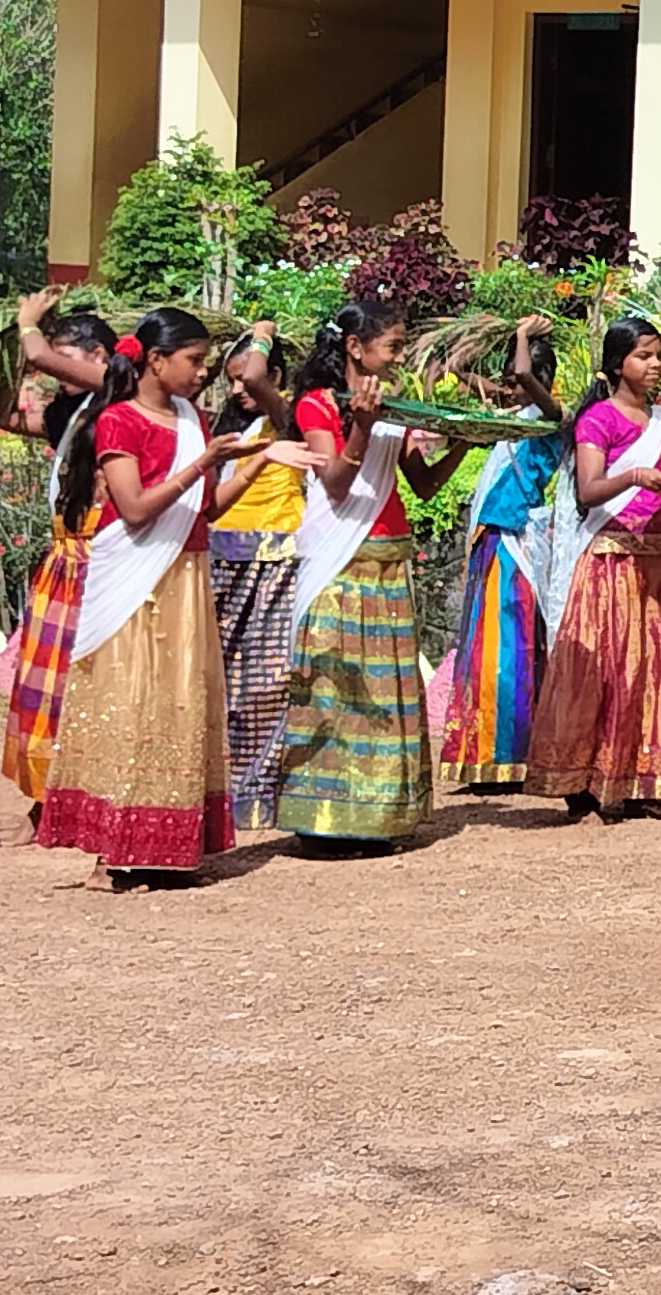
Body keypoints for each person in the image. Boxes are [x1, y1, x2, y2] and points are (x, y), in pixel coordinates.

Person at [35, 309, 276, 887]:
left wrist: (259, 461)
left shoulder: (193, 418)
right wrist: (202, 463)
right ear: (156, 360)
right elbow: (136, 509)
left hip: (186, 578)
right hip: (137, 586)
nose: (203, 373)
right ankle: (112, 854)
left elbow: (206, 509)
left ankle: (165, 850)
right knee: (132, 705)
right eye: (194, 361)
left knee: (179, 708)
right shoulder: (119, 420)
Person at [276, 300, 469, 856]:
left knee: (385, 694)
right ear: (355, 348)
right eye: (394, 346)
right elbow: (336, 483)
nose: (400, 357)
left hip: (387, 564)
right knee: (335, 688)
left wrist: (462, 441)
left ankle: (378, 818)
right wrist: (363, 427)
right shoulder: (317, 405)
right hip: (341, 564)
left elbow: (423, 485)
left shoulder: (394, 406)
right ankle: (323, 821)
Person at [525, 317, 661, 821]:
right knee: (609, 673)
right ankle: (587, 782)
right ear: (616, 364)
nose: (655, 365)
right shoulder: (598, 420)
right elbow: (589, 490)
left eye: (658, 356)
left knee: (656, 673)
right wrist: (632, 476)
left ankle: (643, 777)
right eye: (643, 356)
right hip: (615, 561)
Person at [0, 292, 121, 805]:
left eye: (65, 359)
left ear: (100, 356)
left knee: (84, 681)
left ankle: (82, 791)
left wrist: (27, 325)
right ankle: (44, 797)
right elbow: (2, 417)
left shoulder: (119, 390)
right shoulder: (70, 414)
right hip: (63, 559)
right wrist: (13, 360)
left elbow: (40, 353)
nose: (52, 370)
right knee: (45, 682)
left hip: (98, 557)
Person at [439, 315, 572, 794]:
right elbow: (481, 381)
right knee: (485, 648)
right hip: (491, 539)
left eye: (519, 383)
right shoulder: (512, 418)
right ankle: (487, 750)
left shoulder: (553, 420)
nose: (512, 389)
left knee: (510, 648)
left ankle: (509, 752)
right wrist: (456, 360)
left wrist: (519, 337)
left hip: (516, 542)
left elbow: (522, 377)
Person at [210, 317, 312, 828]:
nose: (238, 388)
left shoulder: (287, 419)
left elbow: (254, 375)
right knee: (221, 680)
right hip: (223, 557)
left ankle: (256, 795)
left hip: (274, 557)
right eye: (229, 381)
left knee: (266, 683)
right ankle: (220, 791)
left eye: (245, 379)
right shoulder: (230, 430)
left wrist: (263, 332)